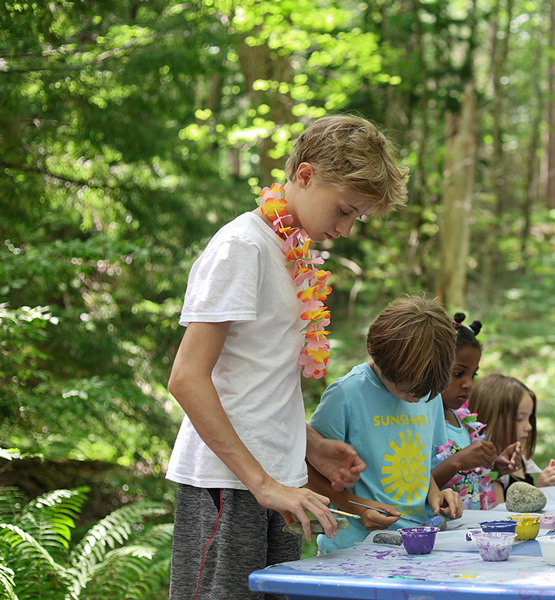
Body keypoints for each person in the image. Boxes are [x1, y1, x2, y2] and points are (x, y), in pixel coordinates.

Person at [166, 115, 408, 599]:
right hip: (231, 485)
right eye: (344, 209)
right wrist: (260, 482)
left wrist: (310, 445)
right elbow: (187, 378)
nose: (344, 228)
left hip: (280, 481)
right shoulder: (242, 247)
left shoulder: (289, 251)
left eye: (356, 217)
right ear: (304, 175)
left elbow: (257, 381)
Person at [307, 295, 464, 552]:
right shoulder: (347, 395)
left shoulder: (427, 392)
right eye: (408, 392)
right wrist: (357, 507)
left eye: (423, 394)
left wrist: (435, 494)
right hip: (354, 549)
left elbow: (419, 462)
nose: (416, 400)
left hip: (416, 542)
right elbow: (307, 469)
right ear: (378, 355)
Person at [431, 314, 520, 510]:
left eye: (473, 374)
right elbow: (414, 486)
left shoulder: (464, 422)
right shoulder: (422, 422)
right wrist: (457, 461)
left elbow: (466, 477)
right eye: (458, 373)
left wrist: (493, 465)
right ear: (432, 366)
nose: (468, 384)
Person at [469, 374, 555, 505]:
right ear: (493, 420)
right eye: (520, 419)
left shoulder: (521, 460)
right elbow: (499, 517)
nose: (529, 427)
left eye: (529, 418)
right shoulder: (485, 473)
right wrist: (539, 490)